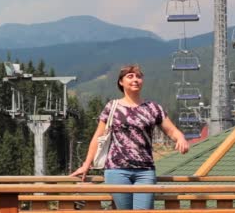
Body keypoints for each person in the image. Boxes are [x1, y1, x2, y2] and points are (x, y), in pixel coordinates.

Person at [69, 64, 189, 210]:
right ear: (121, 82)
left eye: (138, 76)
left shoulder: (153, 108)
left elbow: (172, 131)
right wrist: (86, 164)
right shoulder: (112, 107)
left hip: (145, 170)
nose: (135, 79)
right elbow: (98, 137)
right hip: (117, 170)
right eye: (130, 76)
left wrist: (181, 138)